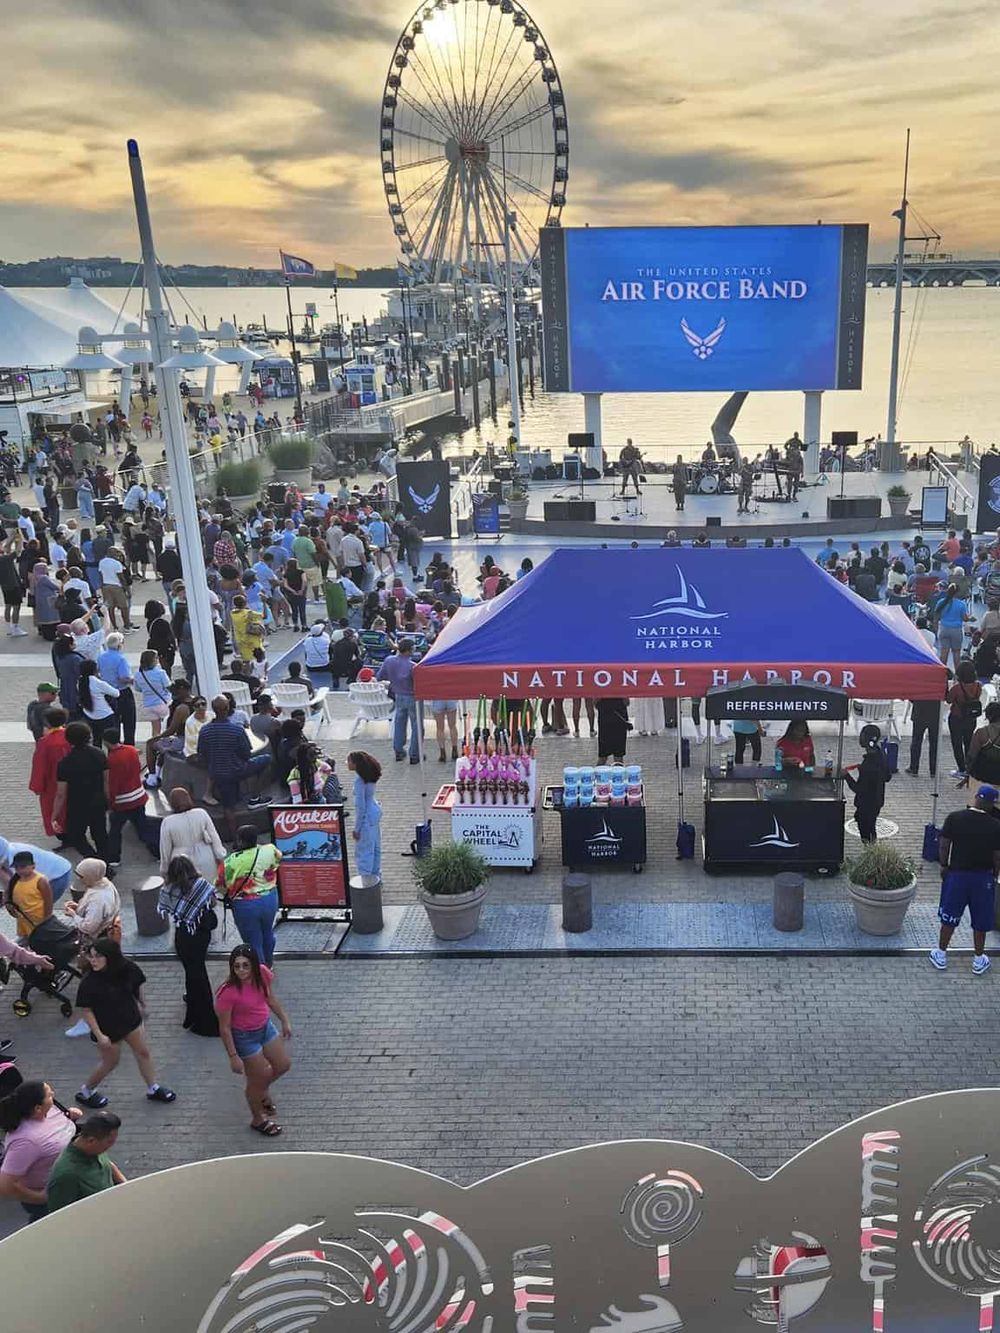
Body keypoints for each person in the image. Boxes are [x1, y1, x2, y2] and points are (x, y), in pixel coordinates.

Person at [73, 938, 176, 1108]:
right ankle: (86, 1091)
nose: (93, 961)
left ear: (110, 956)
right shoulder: (89, 982)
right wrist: (99, 1035)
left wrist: (142, 1004)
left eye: (98, 956)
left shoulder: (127, 968)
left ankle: (153, 1088)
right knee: (110, 1062)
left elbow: (137, 985)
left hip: (130, 1020)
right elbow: (86, 1010)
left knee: (143, 1052)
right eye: (91, 957)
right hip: (107, 1028)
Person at [215, 944, 292, 1137]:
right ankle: (258, 1118)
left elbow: (270, 998)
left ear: (253, 965)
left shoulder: (262, 973)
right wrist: (233, 1056)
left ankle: (261, 1092)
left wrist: (284, 1020)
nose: (241, 970)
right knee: (257, 1080)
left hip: (265, 1028)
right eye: (237, 966)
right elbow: (224, 1028)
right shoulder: (228, 992)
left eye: (245, 965)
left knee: (282, 1065)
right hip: (244, 1037)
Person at [930, 784, 1000, 974]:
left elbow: (944, 844)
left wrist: (944, 866)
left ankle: (941, 953)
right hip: (982, 878)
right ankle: (978, 959)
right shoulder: (996, 826)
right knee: (981, 920)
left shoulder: (955, 818)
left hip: (957, 876)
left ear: (976, 797)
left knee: (950, 916)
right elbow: (997, 856)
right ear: (992, 804)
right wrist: (994, 874)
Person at [0, 1081, 81, 1222]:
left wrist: (70, 1116)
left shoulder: (51, 1109)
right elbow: (5, 1185)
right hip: (50, 1196)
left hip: (69, 1181)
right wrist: (40, 1198)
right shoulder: (26, 1141)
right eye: (49, 1095)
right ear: (38, 1108)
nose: (53, 1095)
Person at [158, 855, 219, 1038]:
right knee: (198, 975)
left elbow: (167, 909)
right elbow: (213, 902)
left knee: (192, 975)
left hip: (183, 936)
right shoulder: (201, 885)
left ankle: (196, 1017)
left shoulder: (167, 889)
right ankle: (202, 1017)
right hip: (200, 935)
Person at [197, 696, 271, 834]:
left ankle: (235, 837)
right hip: (238, 770)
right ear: (227, 709)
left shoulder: (204, 731)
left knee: (228, 807)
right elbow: (246, 755)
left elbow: (202, 753)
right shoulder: (237, 730)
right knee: (266, 759)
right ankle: (255, 797)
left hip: (218, 774)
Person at [220, 826, 281, 967]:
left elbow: (220, 884)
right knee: (267, 932)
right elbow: (277, 861)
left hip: (245, 906)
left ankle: (260, 971)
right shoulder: (269, 850)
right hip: (270, 899)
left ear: (240, 841)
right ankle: (269, 964)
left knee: (253, 940)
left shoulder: (230, 862)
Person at [47, 1110, 125, 1213]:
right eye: (109, 1142)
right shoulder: (66, 1175)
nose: (110, 1146)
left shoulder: (94, 1149)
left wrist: (127, 1186)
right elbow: (59, 1215)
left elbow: (108, 1164)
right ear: (91, 1141)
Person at [52, 720, 110, 860]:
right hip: (98, 800)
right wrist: (108, 799)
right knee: (100, 834)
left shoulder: (65, 763)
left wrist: (54, 815)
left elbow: (61, 794)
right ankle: (104, 862)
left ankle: (94, 859)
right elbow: (106, 780)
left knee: (76, 836)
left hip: (77, 804)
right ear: (88, 736)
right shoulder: (99, 754)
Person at [158, 787, 227, 885]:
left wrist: (164, 871)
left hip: (181, 863)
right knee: (209, 889)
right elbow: (214, 837)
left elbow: (165, 850)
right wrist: (220, 857)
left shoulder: (168, 822)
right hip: (206, 857)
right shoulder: (201, 813)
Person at [843, 724, 891, 843]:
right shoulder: (881, 754)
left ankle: (870, 851)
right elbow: (887, 777)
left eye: (862, 735)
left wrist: (845, 776)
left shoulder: (869, 766)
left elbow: (858, 788)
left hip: (866, 803)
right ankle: (871, 850)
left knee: (866, 830)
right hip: (877, 800)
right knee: (870, 826)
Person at [377, 638, 422, 764]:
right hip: (412, 697)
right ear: (409, 650)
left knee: (399, 723)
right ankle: (414, 754)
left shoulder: (389, 660)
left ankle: (398, 751)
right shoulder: (413, 666)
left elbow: (380, 676)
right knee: (417, 725)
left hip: (398, 695)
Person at [29, 705, 70, 836]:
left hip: (52, 783)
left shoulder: (45, 742)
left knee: (54, 809)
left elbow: (39, 766)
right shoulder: (70, 735)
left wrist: (37, 786)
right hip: (74, 781)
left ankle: (61, 833)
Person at [63, 858, 121, 948]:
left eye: (82, 876)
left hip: (96, 941)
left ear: (90, 876)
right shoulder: (106, 884)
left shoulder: (97, 899)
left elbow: (89, 927)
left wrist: (74, 915)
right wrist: (79, 907)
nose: (79, 879)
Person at [4, 849, 53, 940]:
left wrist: (47, 920)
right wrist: (8, 905)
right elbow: (8, 892)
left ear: (33, 865)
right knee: (24, 938)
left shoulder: (40, 880)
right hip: (22, 918)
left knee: (38, 940)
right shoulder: (15, 879)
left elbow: (48, 901)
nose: (19, 870)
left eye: (23, 867)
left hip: (38, 919)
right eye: (16, 867)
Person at [97, 633, 136, 746]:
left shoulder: (101, 657)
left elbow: (98, 672)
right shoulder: (121, 659)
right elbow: (123, 678)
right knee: (129, 721)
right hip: (122, 692)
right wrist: (134, 680)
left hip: (107, 692)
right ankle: (129, 746)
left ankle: (114, 745)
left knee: (113, 721)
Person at [947, 660, 982, 778]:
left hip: (957, 718)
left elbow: (948, 699)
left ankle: (961, 769)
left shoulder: (957, 688)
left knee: (957, 744)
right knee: (968, 742)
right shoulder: (978, 686)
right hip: (971, 718)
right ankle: (969, 768)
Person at [349, 751, 382, 876]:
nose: (348, 763)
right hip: (374, 812)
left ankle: (366, 880)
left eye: (350, 761)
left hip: (366, 818)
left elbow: (360, 807)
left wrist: (356, 829)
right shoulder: (370, 776)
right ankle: (376, 877)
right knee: (375, 848)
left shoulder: (359, 781)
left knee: (364, 851)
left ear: (356, 764)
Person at [77, 659, 119, 747]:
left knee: (96, 740)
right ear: (95, 670)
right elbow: (116, 693)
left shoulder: (80, 682)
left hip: (90, 714)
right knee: (111, 741)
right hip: (105, 715)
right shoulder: (98, 683)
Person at [964, 702, 1000, 789]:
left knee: (975, 800)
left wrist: (967, 774)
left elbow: (971, 756)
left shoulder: (982, 733)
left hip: (982, 774)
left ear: (988, 716)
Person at [907, 695, 942, 777]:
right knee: (934, 743)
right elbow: (945, 696)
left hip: (919, 712)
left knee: (916, 741)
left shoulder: (917, 681)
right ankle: (934, 770)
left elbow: (911, 696)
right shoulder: (940, 681)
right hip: (935, 714)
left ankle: (914, 768)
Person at [596, 697, 630, 765]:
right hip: (619, 717)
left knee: (603, 756)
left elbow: (595, 702)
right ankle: (618, 774)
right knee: (618, 757)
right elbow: (627, 702)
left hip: (605, 718)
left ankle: (598, 774)